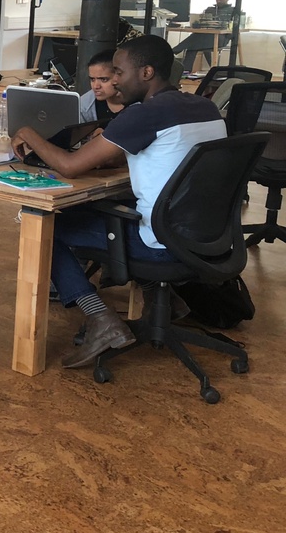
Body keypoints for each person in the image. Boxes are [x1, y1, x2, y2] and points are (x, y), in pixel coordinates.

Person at [11, 35, 226, 368]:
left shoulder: (145, 115)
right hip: (207, 237)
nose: (114, 82)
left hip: (162, 243)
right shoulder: (204, 107)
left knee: (44, 225)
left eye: (119, 73)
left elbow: (70, 166)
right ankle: (166, 301)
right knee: (101, 210)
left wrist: (27, 133)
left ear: (146, 73)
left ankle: (100, 319)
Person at [171, 0, 234, 66]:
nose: (219, 1)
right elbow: (202, 22)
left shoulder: (233, 10)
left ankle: (174, 51)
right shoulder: (209, 9)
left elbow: (235, 27)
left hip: (221, 38)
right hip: (206, 36)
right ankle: (185, 70)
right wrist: (197, 24)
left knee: (194, 40)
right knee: (192, 46)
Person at [78, 49, 125, 128]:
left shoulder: (140, 104)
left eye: (104, 79)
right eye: (92, 79)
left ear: (119, 76)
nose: (96, 86)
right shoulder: (85, 105)